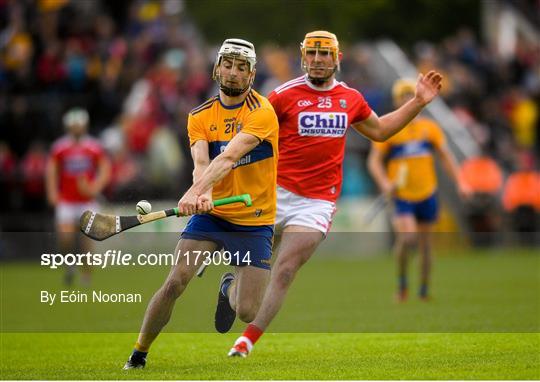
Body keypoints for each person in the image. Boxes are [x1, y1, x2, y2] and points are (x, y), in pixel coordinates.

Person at [228, 31, 444, 357]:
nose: (317, 60)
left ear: (337, 59)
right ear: (303, 57)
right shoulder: (282, 96)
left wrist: (417, 102)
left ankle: (246, 342)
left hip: (317, 202)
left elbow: (381, 131)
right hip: (274, 193)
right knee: (249, 284)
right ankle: (231, 285)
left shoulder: (351, 99)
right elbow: (249, 139)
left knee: (285, 270)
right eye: (312, 54)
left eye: (324, 54)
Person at [123, 38, 279, 369]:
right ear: (216, 68)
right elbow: (202, 160)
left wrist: (195, 191)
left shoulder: (263, 113)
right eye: (227, 64)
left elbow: (229, 157)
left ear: (251, 75)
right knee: (176, 280)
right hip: (212, 217)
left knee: (247, 311)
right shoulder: (199, 116)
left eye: (242, 67)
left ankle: (227, 287)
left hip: (254, 220)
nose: (233, 73)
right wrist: (202, 193)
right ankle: (139, 354)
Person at [368, 78, 471, 302]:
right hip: (402, 196)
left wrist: (460, 182)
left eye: (409, 95)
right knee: (408, 238)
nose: (407, 99)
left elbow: (446, 157)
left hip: (427, 192)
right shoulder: (391, 129)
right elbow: (374, 162)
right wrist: (385, 183)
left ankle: (423, 290)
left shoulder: (430, 129)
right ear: (397, 101)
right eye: (403, 96)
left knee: (426, 246)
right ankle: (402, 284)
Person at [45, 108, 111, 285]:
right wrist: (52, 192)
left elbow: (105, 169)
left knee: (87, 240)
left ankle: (86, 275)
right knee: (65, 237)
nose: (76, 128)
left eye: (79, 125)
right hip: (66, 200)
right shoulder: (60, 147)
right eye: (73, 125)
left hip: (87, 201)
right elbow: (52, 170)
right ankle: (69, 265)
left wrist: (94, 187)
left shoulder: (93, 146)